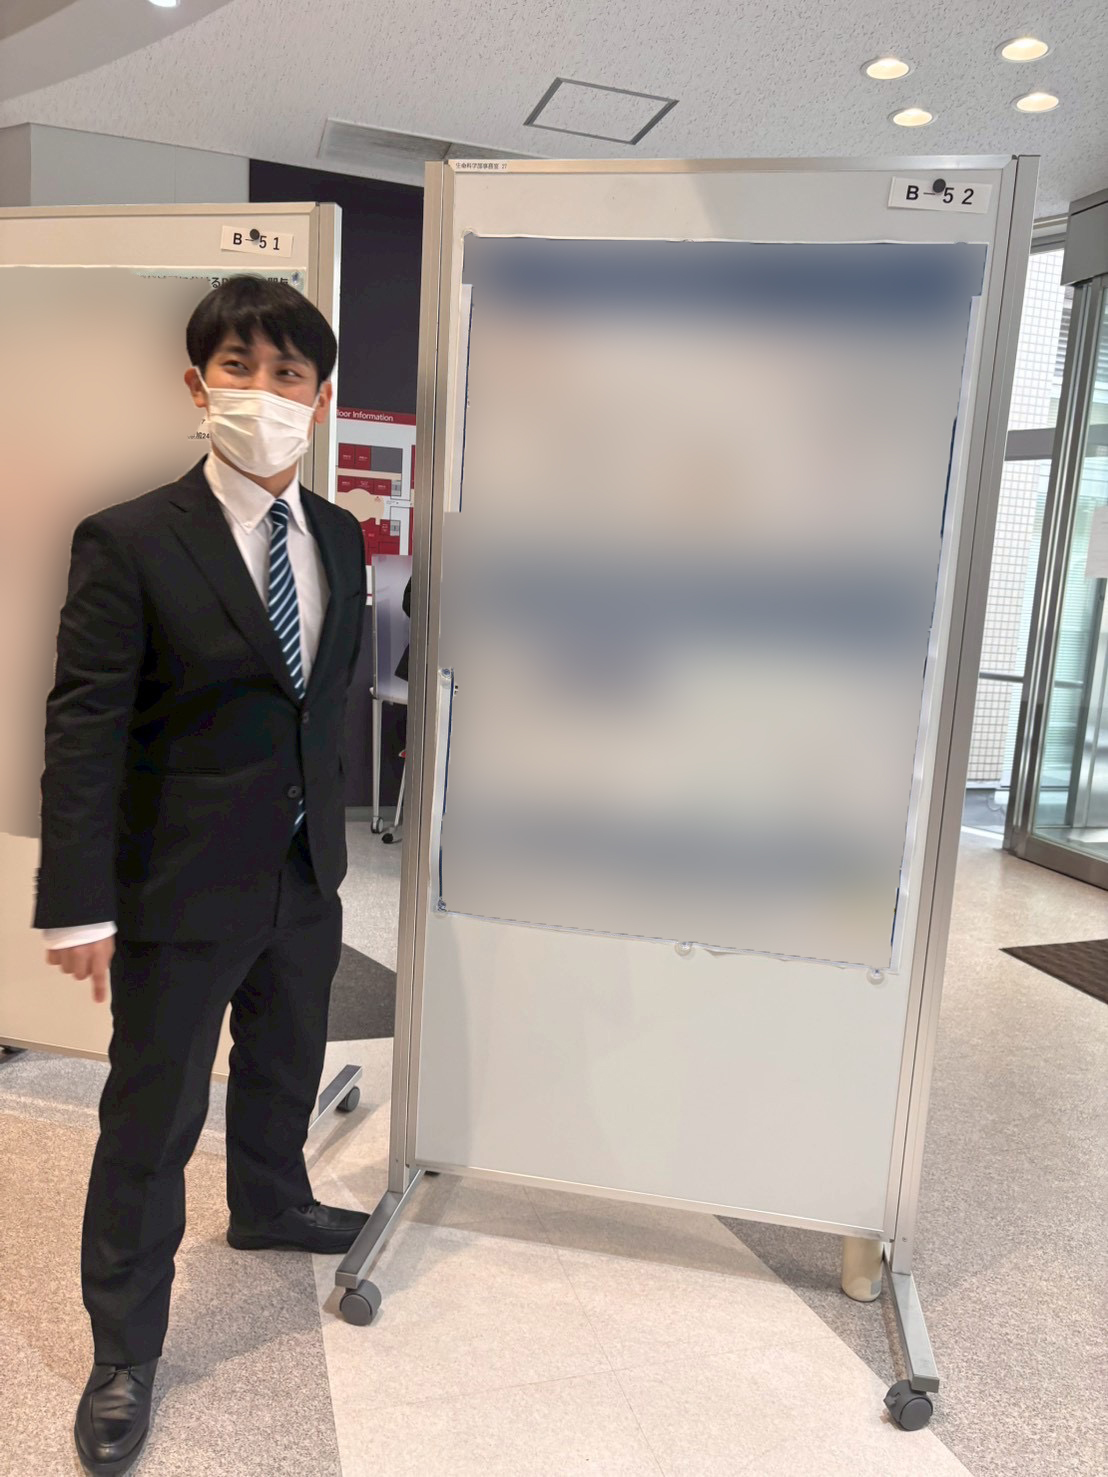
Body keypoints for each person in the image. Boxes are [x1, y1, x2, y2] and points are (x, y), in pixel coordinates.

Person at [34, 276, 368, 1477]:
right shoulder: (129, 538)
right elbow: (84, 731)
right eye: (240, 367)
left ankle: (271, 1201)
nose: (264, 392)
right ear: (198, 384)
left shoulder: (337, 535)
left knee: (285, 1058)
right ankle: (123, 1348)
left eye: (289, 375)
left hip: (305, 872)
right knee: (154, 1115)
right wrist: (78, 900)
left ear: (317, 400)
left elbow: (318, 701)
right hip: (179, 885)